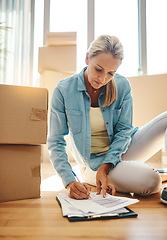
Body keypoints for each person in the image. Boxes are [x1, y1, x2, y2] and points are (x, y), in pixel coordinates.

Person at [47, 35, 167, 200]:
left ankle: (140, 171)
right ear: (87, 58)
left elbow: (124, 130)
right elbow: (55, 141)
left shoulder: (122, 85)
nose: (102, 79)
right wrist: (69, 180)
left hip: (123, 150)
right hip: (92, 165)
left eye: (111, 73)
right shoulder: (64, 90)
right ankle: (146, 173)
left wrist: (106, 166)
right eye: (98, 69)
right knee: (152, 182)